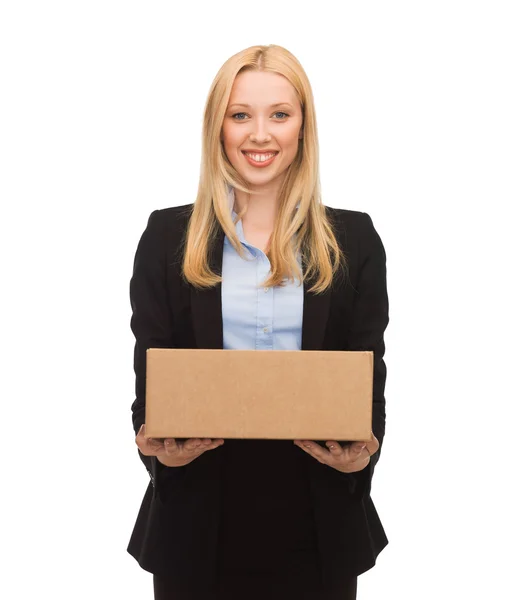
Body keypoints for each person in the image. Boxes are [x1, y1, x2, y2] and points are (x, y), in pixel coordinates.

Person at [127, 44, 389, 600]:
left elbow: (370, 372)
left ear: (302, 127)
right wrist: (155, 443)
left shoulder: (355, 241)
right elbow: (150, 366)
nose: (260, 134)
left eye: (280, 114)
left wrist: (363, 451)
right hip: (196, 521)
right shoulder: (167, 238)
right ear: (217, 127)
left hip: (318, 522)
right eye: (240, 114)